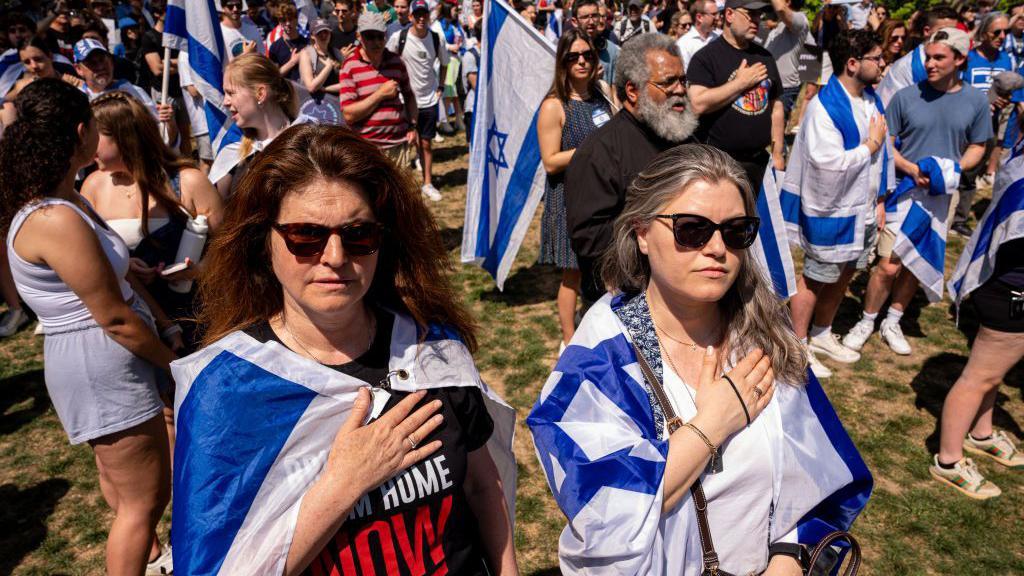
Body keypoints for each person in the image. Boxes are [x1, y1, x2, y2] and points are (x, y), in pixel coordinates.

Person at [171, 123, 518, 576]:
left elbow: (481, 487)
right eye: (306, 236)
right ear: (265, 243)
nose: (334, 256)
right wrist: (342, 485)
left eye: (357, 234)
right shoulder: (227, 391)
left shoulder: (431, 353)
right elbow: (219, 567)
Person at [528, 144, 872, 575]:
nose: (716, 248)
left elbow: (815, 477)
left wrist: (788, 558)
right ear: (641, 233)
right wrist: (713, 424)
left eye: (736, 231)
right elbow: (606, 512)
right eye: (692, 229)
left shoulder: (765, 335)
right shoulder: (601, 355)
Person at [0, 78, 175, 576]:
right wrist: (175, 364)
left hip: (93, 360)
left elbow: (95, 276)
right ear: (80, 132)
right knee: (144, 503)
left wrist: (128, 268)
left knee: (125, 493)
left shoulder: (63, 199)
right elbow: (115, 319)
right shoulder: (55, 215)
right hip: (102, 362)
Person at [843, 28, 991, 356]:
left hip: (941, 196)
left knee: (915, 262)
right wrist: (910, 168)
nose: (930, 63)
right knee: (888, 263)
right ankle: (867, 319)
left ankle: (893, 320)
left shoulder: (976, 101)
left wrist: (953, 171)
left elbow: (978, 145)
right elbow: (887, 143)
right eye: (928, 57)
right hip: (903, 192)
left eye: (939, 57)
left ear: (960, 60)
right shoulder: (906, 96)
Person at [783, 29, 892, 379]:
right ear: (852, 62)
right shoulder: (823, 107)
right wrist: (869, 148)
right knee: (816, 277)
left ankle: (821, 333)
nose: (883, 64)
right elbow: (826, 162)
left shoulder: (872, 98)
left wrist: (879, 199)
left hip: (862, 208)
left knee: (845, 274)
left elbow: (881, 156)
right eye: (877, 58)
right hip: (831, 209)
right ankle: (796, 343)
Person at [82, 91, 223, 354]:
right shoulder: (92, 187)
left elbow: (231, 250)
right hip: (133, 325)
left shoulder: (187, 182)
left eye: (94, 135)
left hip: (196, 317)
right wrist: (122, 266)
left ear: (123, 136)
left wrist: (199, 270)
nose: (86, 144)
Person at [565, 33, 697, 304]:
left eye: (683, 80)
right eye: (668, 82)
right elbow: (588, 238)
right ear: (632, 91)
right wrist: (656, 232)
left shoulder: (686, 138)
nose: (680, 89)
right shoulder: (599, 153)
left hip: (687, 292)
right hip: (629, 300)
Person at [931, 135, 1024, 499]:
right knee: (980, 376)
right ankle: (949, 461)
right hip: (1010, 290)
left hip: (1000, 283)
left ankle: (981, 433)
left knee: (992, 373)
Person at [538, 29, 612, 350]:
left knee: (607, 267)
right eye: (573, 57)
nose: (582, 61)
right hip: (570, 199)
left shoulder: (603, 94)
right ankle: (569, 340)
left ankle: (604, 326)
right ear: (563, 63)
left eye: (587, 55)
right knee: (574, 273)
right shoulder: (554, 105)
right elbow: (551, 161)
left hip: (604, 196)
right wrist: (590, 148)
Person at [687, 0, 785, 188]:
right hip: (720, 167)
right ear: (730, 15)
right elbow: (697, 104)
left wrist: (778, 153)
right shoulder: (706, 57)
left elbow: (776, 107)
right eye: (750, 14)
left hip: (759, 163)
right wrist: (740, 84)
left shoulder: (764, 56)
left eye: (759, 15)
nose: (756, 20)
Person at [954, 11, 1017, 236]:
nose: (1002, 36)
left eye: (1006, 32)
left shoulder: (1006, 59)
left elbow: (1008, 89)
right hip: (962, 121)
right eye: (996, 31)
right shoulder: (968, 58)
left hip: (988, 124)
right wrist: (984, 100)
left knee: (972, 173)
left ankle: (959, 218)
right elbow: (956, 88)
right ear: (984, 32)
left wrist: (1004, 99)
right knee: (954, 169)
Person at [209, 53, 301, 198]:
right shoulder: (233, 144)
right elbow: (220, 207)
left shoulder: (304, 140)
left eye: (230, 93)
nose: (225, 102)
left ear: (260, 94)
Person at [386, 0, 449, 201]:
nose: (421, 18)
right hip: (404, 101)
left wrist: (440, 86)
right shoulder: (399, 37)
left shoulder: (437, 38)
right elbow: (387, 59)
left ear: (429, 16)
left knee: (426, 143)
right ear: (411, 17)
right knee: (403, 145)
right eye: (417, 15)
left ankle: (427, 183)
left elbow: (445, 63)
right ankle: (400, 187)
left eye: (425, 14)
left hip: (428, 99)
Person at [339, 12, 419, 165]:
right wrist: (380, 94)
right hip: (366, 150)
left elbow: (409, 96)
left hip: (397, 148)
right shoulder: (349, 66)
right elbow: (349, 115)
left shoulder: (396, 62)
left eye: (380, 36)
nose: (376, 42)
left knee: (399, 189)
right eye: (369, 36)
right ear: (359, 36)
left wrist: (413, 126)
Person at [73, 38, 178, 145]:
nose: (100, 67)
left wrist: (170, 123)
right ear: (78, 69)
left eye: (102, 60)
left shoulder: (133, 92)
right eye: (92, 63)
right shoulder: (76, 101)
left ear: (111, 61)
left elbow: (163, 138)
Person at [876, 5, 959, 105]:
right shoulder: (905, 67)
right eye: (943, 31)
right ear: (927, 31)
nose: (950, 37)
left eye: (954, 32)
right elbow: (887, 109)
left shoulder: (958, 62)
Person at [1, 37, 82, 126]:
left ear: (50, 56)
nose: (34, 66)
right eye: (27, 62)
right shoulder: (24, 86)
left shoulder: (70, 82)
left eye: (38, 59)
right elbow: (2, 102)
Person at [764, 0, 810, 120]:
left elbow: (780, 8)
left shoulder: (801, 19)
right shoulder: (782, 23)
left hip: (784, 88)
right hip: (770, 83)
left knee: (776, 132)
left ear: (788, 2)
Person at [433, 2, 467, 133]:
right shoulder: (437, 25)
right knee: (448, 91)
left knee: (455, 92)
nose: (456, 12)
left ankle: (458, 119)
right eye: (454, 10)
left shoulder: (454, 25)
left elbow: (461, 39)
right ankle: (444, 120)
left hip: (456, 60)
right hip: (446, 61)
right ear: (447, 10)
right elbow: (437, 42)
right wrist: (449, 47)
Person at [572, 0, 619, 86]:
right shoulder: (566, 50)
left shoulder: (611, 50)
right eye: (585, 17)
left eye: (594, 16)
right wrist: (590, 79)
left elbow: (614, 92)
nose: (591, 22)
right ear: (574, 22)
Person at [299, 18, 344, 99]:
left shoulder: (336, 52)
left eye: (326, 32)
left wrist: (326, 89)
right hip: (316, 105)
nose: (323, 35)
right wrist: (328, 67)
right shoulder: (307, 54)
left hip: (337, 103)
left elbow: (348, 83)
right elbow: (311, 87)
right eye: (319, 33)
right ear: (312, 36)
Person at [268, 4, 310, 81]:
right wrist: (292, 62)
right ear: (280, 22)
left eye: (290, 19)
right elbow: (274, 76)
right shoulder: (275, 47)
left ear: (296, 20)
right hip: (286, 90)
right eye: (284, 20)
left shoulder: (307, 43)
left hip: (305, 89)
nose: (287, 23)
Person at [675, 0, 718, 71]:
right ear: (699, 17)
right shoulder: (683, 44)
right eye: (714, 14)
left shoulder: (718, 38)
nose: (717, 18)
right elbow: (684, 74)